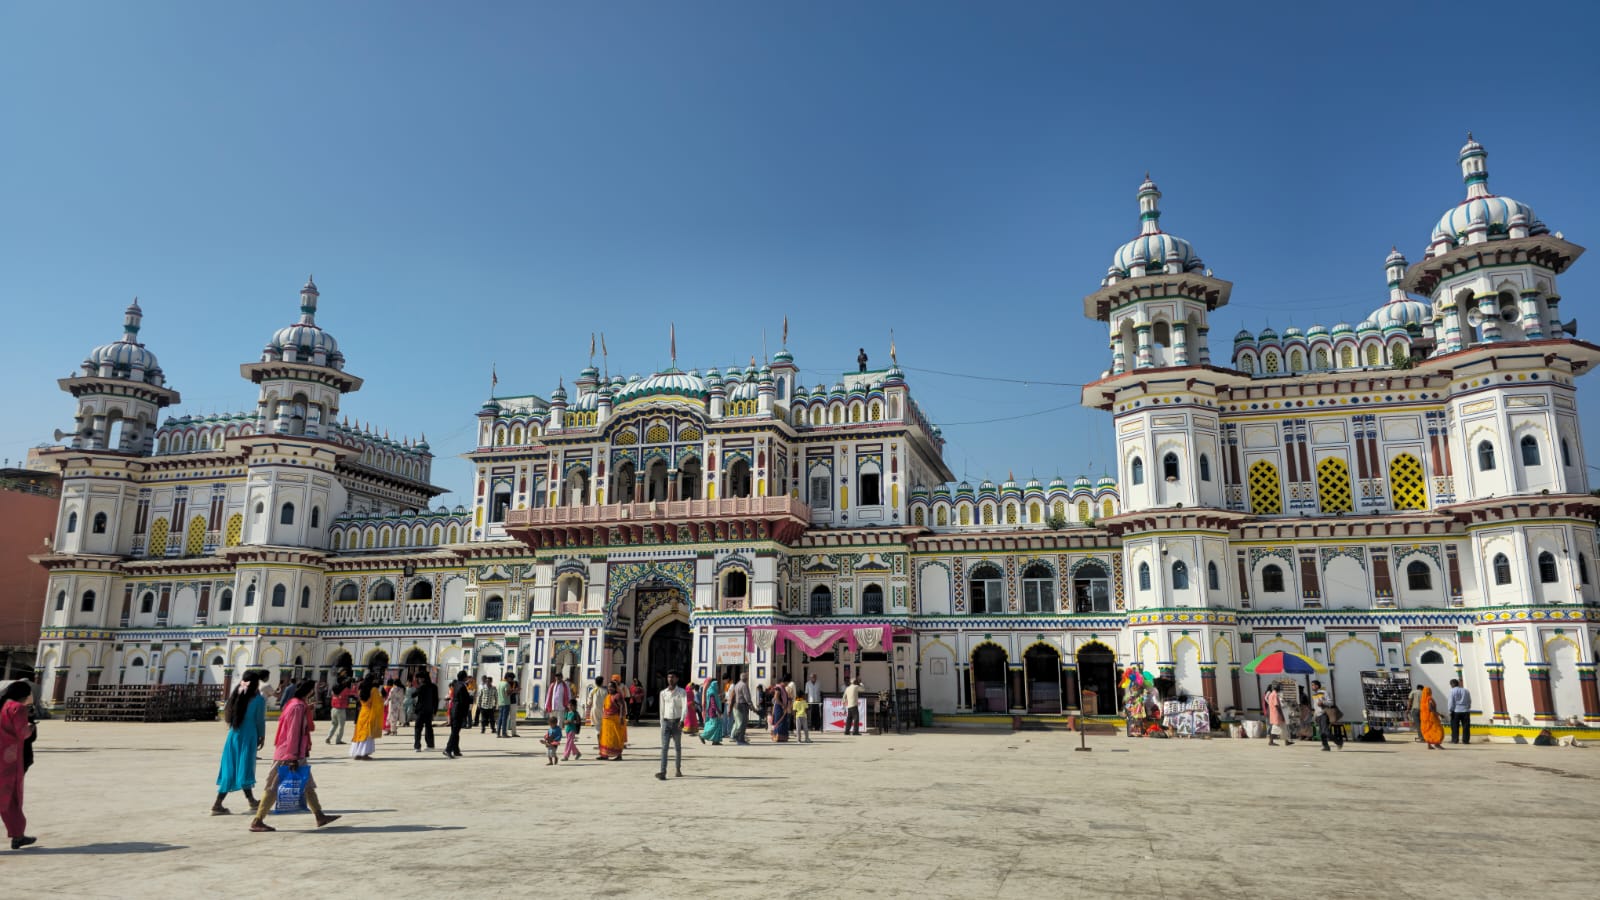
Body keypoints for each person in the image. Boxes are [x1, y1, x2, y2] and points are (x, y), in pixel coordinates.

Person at [249, 680, 341, 832]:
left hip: (293, 751)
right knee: (274, 786)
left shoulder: (294, 704)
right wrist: (292, 757)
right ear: (310, 691)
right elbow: (294, 732)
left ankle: (319, 815)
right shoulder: (298, 707)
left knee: (307, 785)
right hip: (290, 753)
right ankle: (258, 820)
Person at [213, 671, 266, 814]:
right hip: (248, 736)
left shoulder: (236, 695)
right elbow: (260, 720)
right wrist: (262, 736)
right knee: (245, 766)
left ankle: (224, 803)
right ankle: (247, 801)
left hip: (234, 736)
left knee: (231, 767)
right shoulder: (258, 700)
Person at [1, 680, 38, 849]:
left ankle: (18, 835)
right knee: (9, 798)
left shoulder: (3, 705)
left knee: (7, 799)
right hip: (10, 760)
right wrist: (31, 728)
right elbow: (22, 733)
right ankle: (17, 835)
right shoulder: (18, 708)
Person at [657, 672, 687, 781]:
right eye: (669, 677)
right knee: (664, 748)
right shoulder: (663, 693)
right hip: (666, 721)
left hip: (677, 722)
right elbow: (661, 709)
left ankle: (678, 769)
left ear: (677, 679)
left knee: (677, 747)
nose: (670, 679)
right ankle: (663, 771)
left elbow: (684, 707)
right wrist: (661, 725)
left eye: (672, 677)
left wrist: (682, 719)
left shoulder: (681, 692)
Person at [349, 670, 383, 760]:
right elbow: (377, 704)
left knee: (359, 732)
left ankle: (357, 753)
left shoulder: (361, 689)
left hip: (362, 713)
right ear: (373, 680)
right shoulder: (374, 690)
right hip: (369, 713)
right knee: (367, 733)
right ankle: (364, 753)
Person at [444, 671, 472, 758]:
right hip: (458, 711)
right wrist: (470, 699)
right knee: (455, 732)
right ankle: (448, 749)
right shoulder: (462, 687)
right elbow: (463, 701)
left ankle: (456, 750)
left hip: (454, 710)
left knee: (455, 731)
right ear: (464, 678)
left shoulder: (457, 685)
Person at [1310, 680, 1344, 751]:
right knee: (1321, 732)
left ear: (1317, 686)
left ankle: (1339, 742)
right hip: (1318, 715)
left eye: (1313, 685)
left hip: (1324, 714)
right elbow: (1315, 706)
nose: (1312, 686)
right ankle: (1326, 746)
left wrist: (1323, 702)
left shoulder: (1324, 692)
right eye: (1312, 685)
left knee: (1325, 731)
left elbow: (1330, 702)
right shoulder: (1313, 695)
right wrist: (1314, 715)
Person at [598, 682, 627, 760]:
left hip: (615, 720)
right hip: (606, 721)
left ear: (615, 688)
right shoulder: (608, 696)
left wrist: (621, 717)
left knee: (616, 738)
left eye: (611, 687)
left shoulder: (617, 696)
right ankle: (604, 754)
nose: (609, 688)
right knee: (605, 738)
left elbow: (622, 706)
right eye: (608, 687)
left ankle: (618, 755)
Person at [413, 670, 439, 752]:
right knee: (429, 727)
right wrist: (435, 711)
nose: (419, 680)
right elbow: (436, 700)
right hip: (429, 710)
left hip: (421, 711)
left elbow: (412, 695)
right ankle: (430, 745)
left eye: (419, 678)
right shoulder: (434, 687)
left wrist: (418, 686)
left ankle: (417, 746)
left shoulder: (421, 687)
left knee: (418, 728)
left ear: (423, 679)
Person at [326, 676, 354, 745]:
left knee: (334, 724)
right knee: (341, 726)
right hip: (341, 709)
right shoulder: (345, 689)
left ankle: (328, 737)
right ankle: (338, 740)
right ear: (342, 681)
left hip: (333, 708)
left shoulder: (334, 687)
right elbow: (353, 693)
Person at [1418, 685, 1445, 749]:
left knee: (1428, 731)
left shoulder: (1423, 700)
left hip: (1424, 719)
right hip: (1431, 718)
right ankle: (1437, 744)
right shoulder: (1429, 699)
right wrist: (1439, 714)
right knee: (1438, 730)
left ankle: (1429, 745)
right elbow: (1431, 709)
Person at [700, 677, 725, 745]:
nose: (717, 686)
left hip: (716, 711)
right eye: (716, 685)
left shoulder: (714, 692)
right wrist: (718, 711)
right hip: (713, 712)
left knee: (718, 725)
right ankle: (703, 736)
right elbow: (713, 703)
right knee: (714, 725)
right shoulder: (711, 692)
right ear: (713, 685)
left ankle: (716, 740)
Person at [730, 673, 753, 745]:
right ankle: (740, 739)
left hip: (736, 705)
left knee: (738, 722)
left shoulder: (737, 685)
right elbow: (747, 696)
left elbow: (733, 695)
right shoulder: (744, 685)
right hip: (742, 705)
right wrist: (750, 705)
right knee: (743, 723)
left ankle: (736, 737)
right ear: (746, 678)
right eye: (747, 677)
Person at [1448, 678, 1472, 744]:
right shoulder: (1466, 691)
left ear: (1452, 684)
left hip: (1456, 711)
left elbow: (1451, 702)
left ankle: (1455, 740)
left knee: (1455, 726)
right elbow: (1469, 700)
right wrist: (1468, 707)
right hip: (1465, 710)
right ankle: (1466, 740)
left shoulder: (1452, 691)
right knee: (1466, 726)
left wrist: (1450, 710)